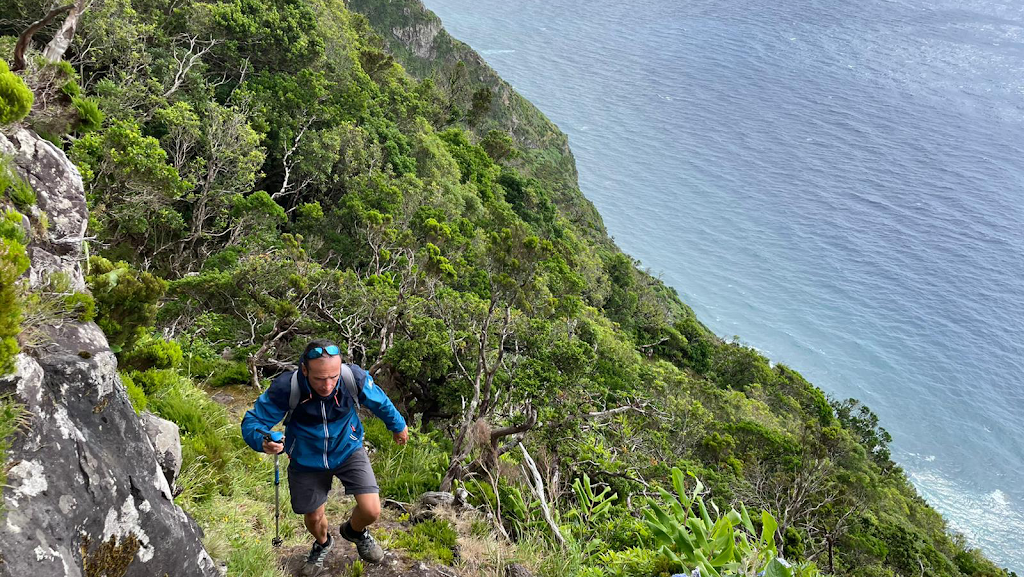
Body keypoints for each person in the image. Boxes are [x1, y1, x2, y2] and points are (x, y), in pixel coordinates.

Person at [241, 339, 408, 576]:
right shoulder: (287, 387)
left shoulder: (353, 378)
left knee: (371, 510)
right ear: (304, 369)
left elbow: (380, 401)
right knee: (313, 516)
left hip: (348, 448)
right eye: (319, 379)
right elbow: (254, 421)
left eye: (333, 377)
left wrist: (398, 425)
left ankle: (354, 532)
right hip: (306, 457)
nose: (328, 385)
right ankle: (322, 544)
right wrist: (262, 440)